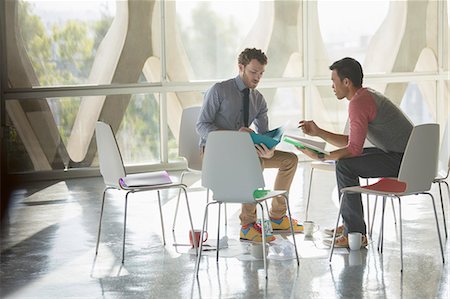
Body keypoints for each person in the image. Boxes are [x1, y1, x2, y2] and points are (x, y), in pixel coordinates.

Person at [298, 57, 413, 248]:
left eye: (334, 81)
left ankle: (355, 233)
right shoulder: (366, 96)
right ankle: (353, 227)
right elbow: (352, 142)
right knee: (345, 162)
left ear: (346, 82)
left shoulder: (358, 103)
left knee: (344, 166)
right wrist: (318, 132)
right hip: (405, 156)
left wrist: (322, 156)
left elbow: (353, 150)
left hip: (404, 161)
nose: (332, 86)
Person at [196, 48, 302, 243]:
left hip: (245, 153)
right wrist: (235, 136)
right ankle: (247, 225)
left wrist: (268, 149)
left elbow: (263, 135)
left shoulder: (259, 100)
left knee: (290, 160)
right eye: (253, 72)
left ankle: (277, 217)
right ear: (241, 67)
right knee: (253, 161)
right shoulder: (219, 90)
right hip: (215, 154)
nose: (257, 77)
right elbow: (201, 125)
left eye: (261, 73)